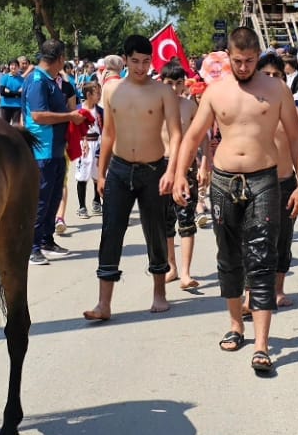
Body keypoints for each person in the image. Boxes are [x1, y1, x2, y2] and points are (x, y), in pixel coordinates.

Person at [172, 26, 298, 375]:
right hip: (223, 181)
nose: (244, 67)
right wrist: (177, 175)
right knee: (228, 257)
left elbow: (296, 139)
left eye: (250, 61)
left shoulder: (276, 89)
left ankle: (262, 345)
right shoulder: (216, 92)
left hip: (264, 179)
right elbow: (192, 138)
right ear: (228, 57)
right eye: (238, 61)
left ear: (258, 57)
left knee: (262, 258)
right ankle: (236, 324)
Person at [84, 36, 182, 321]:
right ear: (125, 60)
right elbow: (108, 134)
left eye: (146, 61)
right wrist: (101, 174)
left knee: (155, 231)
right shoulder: (112, 91)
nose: (141, 67)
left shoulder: (163, 91)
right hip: (118, 169)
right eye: (135, 61)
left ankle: (159, 293)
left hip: (154, 170)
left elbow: (176, 134)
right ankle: (104, 303)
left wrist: (173, 171)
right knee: (111, 232)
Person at [23, 40, 87, 265]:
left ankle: (47, 240)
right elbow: (38, 115)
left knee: (54, 196)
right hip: (43, 149)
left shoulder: (50, 80)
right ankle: (32, 247)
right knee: (41, 199)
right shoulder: (38, 80)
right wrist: (70, 117)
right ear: (59, 58)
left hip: (57, 149)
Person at [256, 52, 298, 309]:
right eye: (265, 74)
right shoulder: (247, 107)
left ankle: (278, 289)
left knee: (282, 239)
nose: (271, 79)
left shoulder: (292, 111)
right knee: (254, 239)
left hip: (285, 181)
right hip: (255, 182)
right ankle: (253, 290)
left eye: (276, 75)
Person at [159, 61, 204, 292]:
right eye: (170, 83)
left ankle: (186, 272)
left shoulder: (190, 106)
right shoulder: (155, 107)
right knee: (166, 222)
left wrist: (205, 162)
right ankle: (171, 266)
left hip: (186, 167)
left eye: (179, 83)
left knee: (186, 220)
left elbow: (202, 135)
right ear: (162, 83)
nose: (175, 89)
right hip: (162, 166)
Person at [73, 82, 102, 217]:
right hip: (83, 145)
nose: (100, 96)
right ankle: (82, 206)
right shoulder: (79, 110)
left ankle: (97, 201)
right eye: (97, 93)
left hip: (98, 143)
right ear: (89, 95)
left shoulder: (100, 111)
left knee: (98, 174)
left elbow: (105, 129)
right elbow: (73, 129)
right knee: (82, 175)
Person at [0, 60, 25, 126]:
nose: (14, 67)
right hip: (5, 105)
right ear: (9, 66)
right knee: (4, 126)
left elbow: (22, 94)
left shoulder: (22, 79)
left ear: (18, 67)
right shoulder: (5, 77)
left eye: (15, 65)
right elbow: (2, 92)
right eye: (12, 65)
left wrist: (9, 92)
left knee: (15, 127)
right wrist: (16, 94)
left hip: (17, 106)